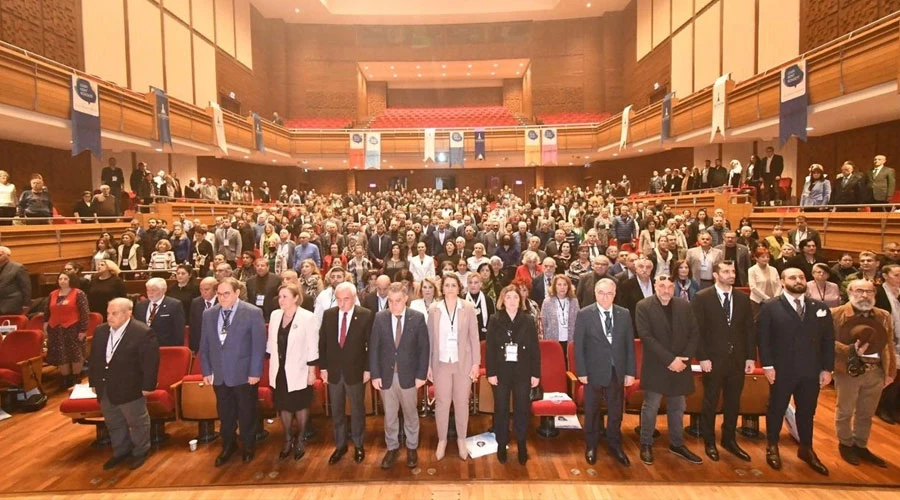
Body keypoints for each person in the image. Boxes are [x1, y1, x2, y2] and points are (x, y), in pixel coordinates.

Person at [758, 267, 835, 476]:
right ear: (782, 281)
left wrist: (828, 368)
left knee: (807, 411)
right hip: (782, 369)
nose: (798, 280)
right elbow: (763, 340)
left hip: (811, 370)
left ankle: (806, 448)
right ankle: (772, 445)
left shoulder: (819, 307)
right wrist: (767, 366)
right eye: (793, 277)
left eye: (801, 277)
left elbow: (828, 340)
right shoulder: (770, 306)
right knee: (776, 408)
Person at [692, 262, 756, 462]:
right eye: (726, 272)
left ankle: (729, 439)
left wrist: (750, 357)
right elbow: (697, 330)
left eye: (733, 271)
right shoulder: (702, 298)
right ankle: (709, 441)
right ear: (715, 275)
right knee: (710, 401)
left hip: (737, 359)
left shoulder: (743, 299)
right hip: (713, 359)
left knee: (733, 402)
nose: (731, 275)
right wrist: (702, 357)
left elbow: (749, 330)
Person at [636, 274, 702, 466]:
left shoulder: (684, 305)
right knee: (651, 406)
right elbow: (646, 336)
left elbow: (694, 333)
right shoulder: (644, 306)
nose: (666, 290)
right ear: (655, 285)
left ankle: (677, 443)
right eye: (662, 286)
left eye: (669, 287)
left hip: (681, 365)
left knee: (678, 406)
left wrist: (684, 358)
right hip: (657, 364)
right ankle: (646, 443)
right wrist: (670, 359)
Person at [199, 278, 267, 466]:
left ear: (237, 293)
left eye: (226, 293)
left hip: (244, 373)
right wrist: (206, 370)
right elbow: (204, 346)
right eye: (219, 294)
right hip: (219, 374)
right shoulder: (209, 314)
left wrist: (255, 372)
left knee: (247, 412)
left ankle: (248, 445)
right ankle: (228, 445)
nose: (221, 297)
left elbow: (258, 346)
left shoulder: (252, 312)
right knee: (225, 413)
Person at [831, 279, 896, 467]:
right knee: (845, 410)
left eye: (869, 292)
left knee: (866, 413)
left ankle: (861, 444)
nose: (865, 295)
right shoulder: (836, 314)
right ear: (850, 292)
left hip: (876, 371)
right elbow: (826, 342)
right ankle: (845, 443)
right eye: (860, 291)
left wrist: (890, 372)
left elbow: (889, 344)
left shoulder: (883, 315)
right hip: (848, 371)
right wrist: (850, 350)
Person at [88, 298, 159, 471]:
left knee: (137, 422)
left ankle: (141, 451)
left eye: (114, 313)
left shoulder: (142, 332)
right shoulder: (101, 331)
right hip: (106, 386)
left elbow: (150, 362)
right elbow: (94, 359)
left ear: (128, 313)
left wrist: (148, 386)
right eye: (108, 313)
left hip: (131, 386)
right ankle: (121, 451)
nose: (110, 317)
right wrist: (93, 381)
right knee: (113, 422)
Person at [574, 278, 636, 467]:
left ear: (615, 294)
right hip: (593, 372)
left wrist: (630, 372)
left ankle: (615, 445)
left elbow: (629, 345)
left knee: (616, 412)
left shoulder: (624, 314)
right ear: (595, 293)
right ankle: (591, 445)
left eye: (609, 293)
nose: (605, 297)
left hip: (616, 371)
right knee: (591, 411)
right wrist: (581, 371)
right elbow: (579, 346)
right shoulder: (585, 314)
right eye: (601, 293)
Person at [370, 283, 429, 469]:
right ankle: (392, 447)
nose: (394, 305)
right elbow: (374, 349)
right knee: (389, 415)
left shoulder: (417, 318)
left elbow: (423, 349)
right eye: (390, 301)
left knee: (411, 414)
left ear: (405, 299)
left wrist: (421, 375)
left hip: (409, 377)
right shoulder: (380, 318)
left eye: (397, 301)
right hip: (386, 376)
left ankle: (412, 447)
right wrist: (375, 374)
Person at [485, 284, 541, 465]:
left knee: (521, 410)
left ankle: (522, 444)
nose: (512, 301)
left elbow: (535, 349)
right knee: (501, 409)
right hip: (501, 372)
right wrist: (491, 372)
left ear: (520, 300)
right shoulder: (495, 319)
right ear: (503, 299)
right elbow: (490, 350)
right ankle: (502, 444)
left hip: (522, 371)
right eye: (508, 297)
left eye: (515, 297)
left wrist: (535, 373)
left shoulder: (528, 320)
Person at [427, 273, 480, 461]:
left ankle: (461, 439)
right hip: (440, 363)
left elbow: (474, 337)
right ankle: (442, 440)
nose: (450, 288)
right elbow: (429, 341)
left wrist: (476, 363)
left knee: (462, 403)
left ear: (459, 288)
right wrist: (428, 366)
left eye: (453, 285)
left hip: (462, 363)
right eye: (447, 285)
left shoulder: (468, 307)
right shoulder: (434, 309)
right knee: (441, 403)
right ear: (442, 288)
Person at [319, 282, 373, 465]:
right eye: (339, 299)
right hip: (334, 372)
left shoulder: (365, 315)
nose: (342, 303)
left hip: (356, 371)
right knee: (337, 411)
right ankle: (340, 445)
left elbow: (370, 346)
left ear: (354, 297)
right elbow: (323, 343)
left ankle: (358, 444)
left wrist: (368, 369)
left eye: (346, 299)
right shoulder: (329, 315)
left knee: (357, 410)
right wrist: (323, 368)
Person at [268, 284, 319, 461]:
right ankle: (288, 438)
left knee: (300, 405)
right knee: (284, 405)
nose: (281, 300)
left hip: (300, 369)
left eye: (285, 297)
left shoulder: (307, 317)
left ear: (296, 298)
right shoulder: (275, 315)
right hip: (279, 370)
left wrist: (312, 372)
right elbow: (271, 344)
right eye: (279, 296)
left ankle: (301, 439)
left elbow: (313, 346)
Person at [45, 272, 90, 390]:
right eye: (60, 278)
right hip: (56, 329)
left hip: (73, 328)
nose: (62, 281)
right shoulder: (52, 294)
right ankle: (65, 378)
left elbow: (84, 313)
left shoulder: (78, 293)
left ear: (71, 280)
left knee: (75, 354)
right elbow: (47, 313)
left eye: (65, 278)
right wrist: (46, 326)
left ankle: (75, 378)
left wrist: (83, 330)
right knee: (61, 354)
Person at [134, 278, 186, 347]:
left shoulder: (174, 305)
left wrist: (176, 349)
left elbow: (178, 331)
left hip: (165, 347)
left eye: (153, 290)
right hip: (144, 347)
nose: (150, 293)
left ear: (163, 290)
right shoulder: (140, 306)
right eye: (148, 290)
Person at [541, 275, 578, 361]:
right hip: (553, 340)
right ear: (554, 286)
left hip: (570, 339)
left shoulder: (574, 301)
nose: (562, 287)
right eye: (559, 284)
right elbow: (544, 323)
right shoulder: (547, 301)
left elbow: (578, 321)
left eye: (565, 284)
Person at [748, 249, 781, 318]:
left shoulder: (773, 269)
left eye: (767, 257)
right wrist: (767, 298)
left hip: (774, 300)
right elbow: (753, 287)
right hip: (757, 301)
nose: (766, 259)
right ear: (756, 258)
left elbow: (779, 285)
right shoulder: (752, 270)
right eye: (763, 257)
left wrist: (775, 297)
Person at [246, 257, 281, 322]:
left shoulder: (276, 280)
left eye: (262, 265)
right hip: (254, 312)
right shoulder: (250, 281)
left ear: (268, 267)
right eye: (258, 266)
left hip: (270, 313)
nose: (260, 267)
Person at [189, 277, 218, 353]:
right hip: (201, 344)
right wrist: (193, 348)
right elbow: (193, 327)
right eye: (201, 289)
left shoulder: (222, 302)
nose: (203, 292)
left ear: (216, 290)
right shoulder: (196, 302)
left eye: (207, 289)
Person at [0, 246, 32, 315]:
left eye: (0, 255)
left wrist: (26, 304)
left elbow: (26, 288)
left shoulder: (18, 268)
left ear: (7, 255)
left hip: (12, 306)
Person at [464, 273, 493, 341]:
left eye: (476, 282)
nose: (472, 285)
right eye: (470, 282)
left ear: (481, 284)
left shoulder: (488, 300)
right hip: (466, 337)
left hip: (484, 336)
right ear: (467, 284)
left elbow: (492, 320)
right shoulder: (462, 299)